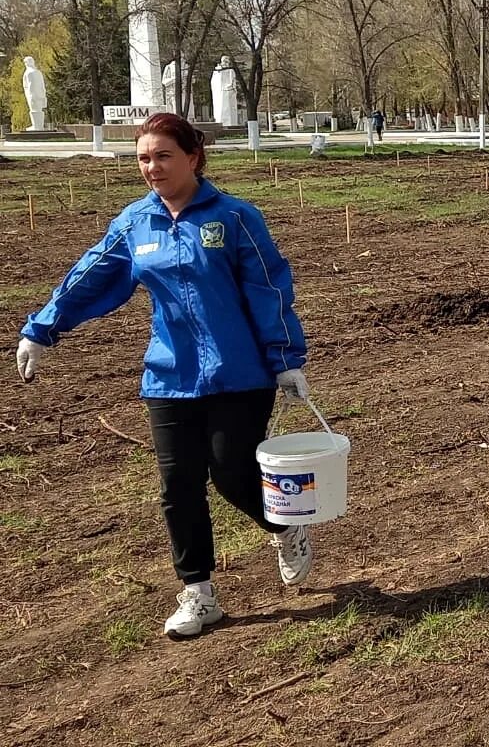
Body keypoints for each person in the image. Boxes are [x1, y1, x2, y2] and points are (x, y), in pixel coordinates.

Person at [14, 112, 314, 640]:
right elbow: (89, 275)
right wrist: (42, 329)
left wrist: (286, 359)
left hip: (239, 374)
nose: (151, 168)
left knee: (230, 474)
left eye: (162, 156)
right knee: (178, 487)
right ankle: (198, 594)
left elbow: (268, 288)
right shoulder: (135, 223)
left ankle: (285, 526)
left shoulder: (236, 218)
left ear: (193, 157)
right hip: (169, 376)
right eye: (143, 159)